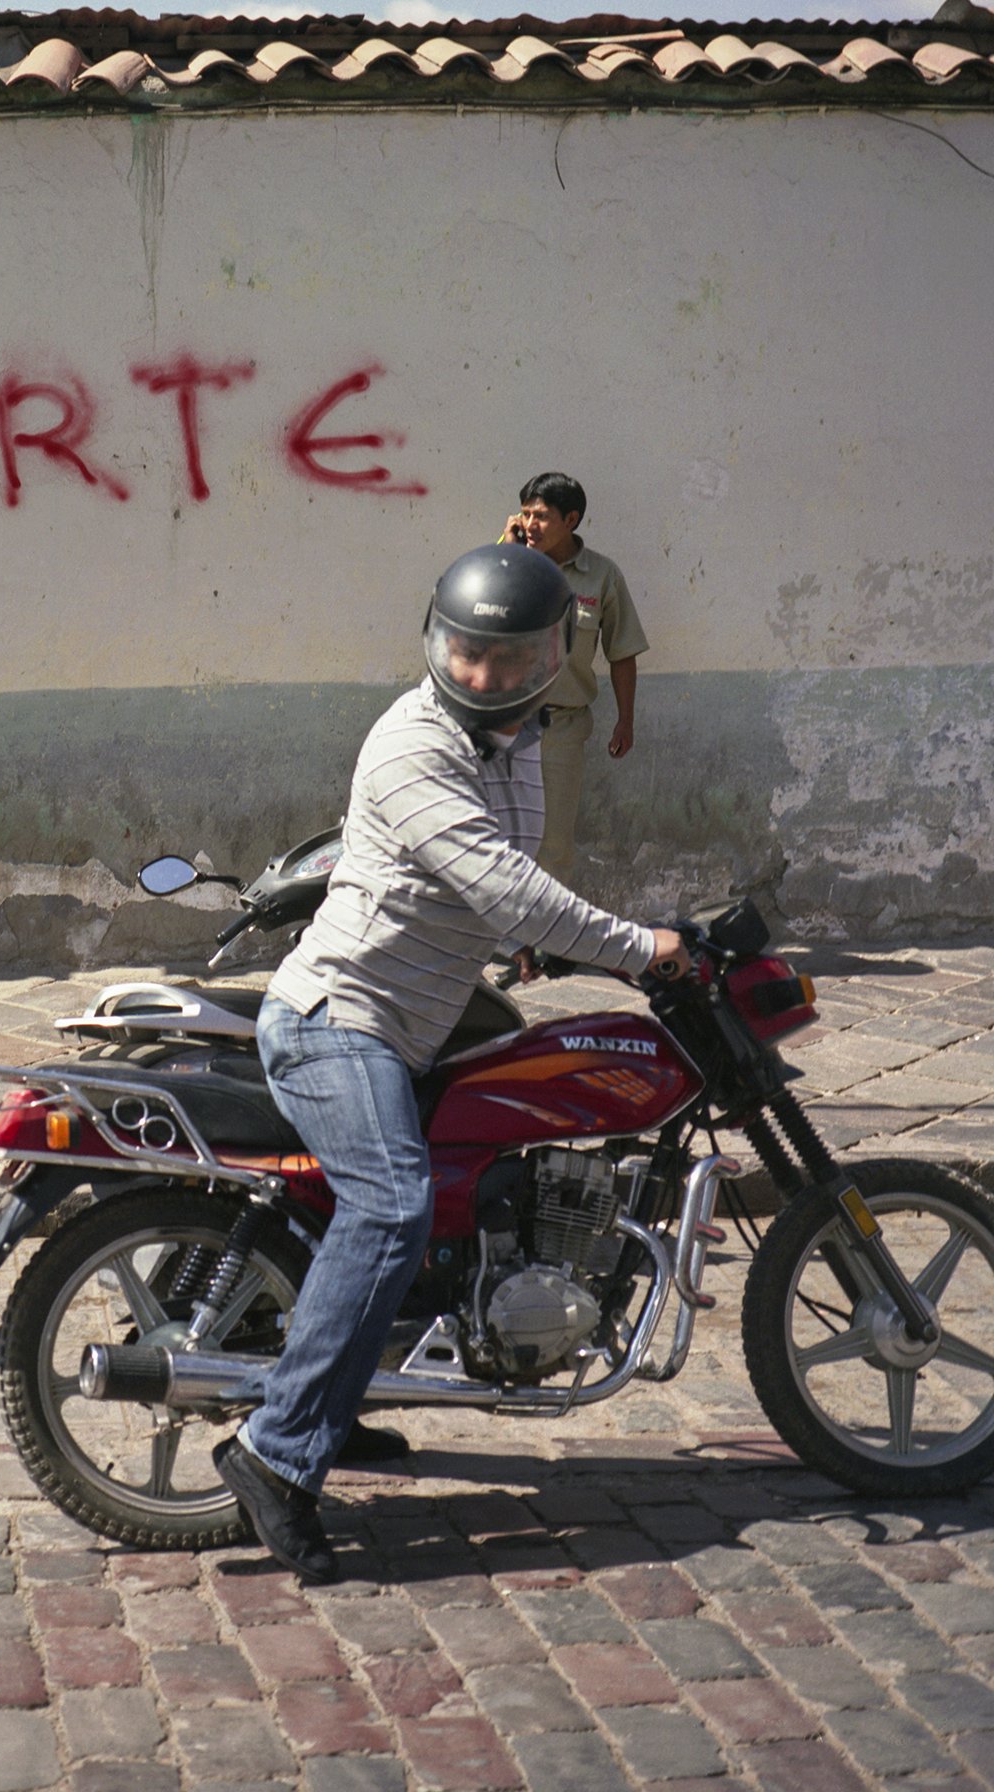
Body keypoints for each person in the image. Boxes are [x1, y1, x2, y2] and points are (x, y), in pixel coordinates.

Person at [212, 544, 685, 1583]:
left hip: (424, 1014)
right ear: (435, 641)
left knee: (482, 1181)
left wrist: (529, 941)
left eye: (504, 657)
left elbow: (496, 882)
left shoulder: (510, 742)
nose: (478, 673)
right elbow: (506, 886)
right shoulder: (411, 744)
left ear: (547, 657)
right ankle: (274, 1454)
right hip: (340, 1018)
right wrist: (634, 943)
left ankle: (351, 1393)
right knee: (390, 1207)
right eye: (464, 651)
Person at [499, 472, 649, 885]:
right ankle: (501, 943)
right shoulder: (505, 563)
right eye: (526, 514)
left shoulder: (601, 576)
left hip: (559, 729)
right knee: (494, 839)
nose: (531, 525)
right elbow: (473, 617)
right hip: (500, 723)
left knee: (553, 845)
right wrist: (504, 554)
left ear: (571, 519)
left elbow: (622, 652)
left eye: (542, 516)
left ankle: (546, 943)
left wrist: (625, 720)